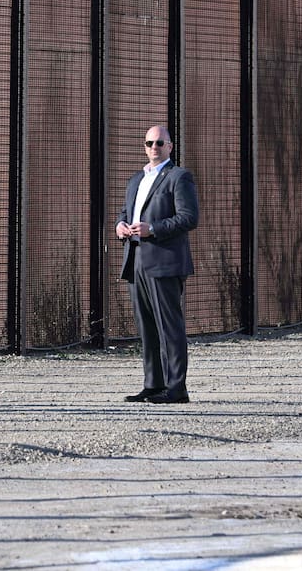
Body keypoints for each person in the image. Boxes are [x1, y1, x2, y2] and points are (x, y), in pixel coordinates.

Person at [115, 125, 199, 405]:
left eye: (160, 142)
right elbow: (126, 212)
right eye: (150, 142)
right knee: (147, 326)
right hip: (137, 259)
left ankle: (177, 388)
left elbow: (188, 218)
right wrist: (120, 226)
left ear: (170, 147)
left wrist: (154, 229)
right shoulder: (137, 179)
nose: (154, 147)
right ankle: (153, 384)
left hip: (164, 261)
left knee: (169, 327)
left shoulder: (179, 177)